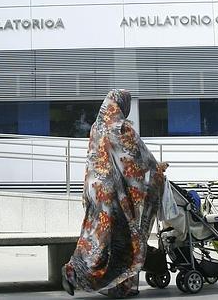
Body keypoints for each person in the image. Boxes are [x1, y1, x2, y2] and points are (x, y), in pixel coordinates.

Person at [61, 89, 168, 298]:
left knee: (95, 237)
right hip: (113, 196)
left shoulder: (97, 126)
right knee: (124, 239)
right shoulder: (120, 127)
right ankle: (118, 285)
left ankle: (74, 270)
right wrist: (157, 169)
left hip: (94, 192)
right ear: (122, 105)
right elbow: (137, 158)